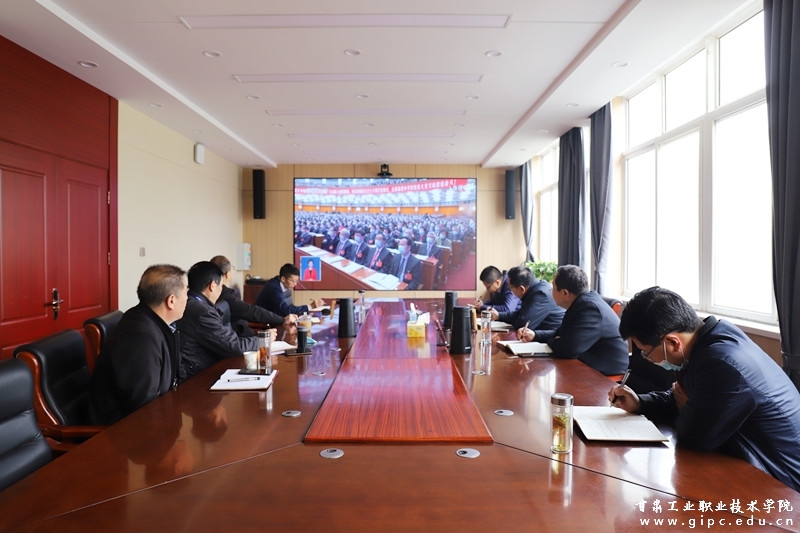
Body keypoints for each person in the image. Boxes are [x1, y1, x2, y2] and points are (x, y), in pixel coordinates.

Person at [609, 286, 800, 492]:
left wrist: (687, 407)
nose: (646, 359)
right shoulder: (704, 342)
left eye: (645, 352)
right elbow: (681, 396)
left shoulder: (722, 363)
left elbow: (695, 437)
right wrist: (640, 403)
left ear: (672, 342)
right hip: (745, 463)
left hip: (782, 484)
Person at [89, 264, 188, 425]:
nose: (188, 299)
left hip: (158, 417)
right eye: (186, 293)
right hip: (124, 431)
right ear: (171, 300)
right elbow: (144, 406)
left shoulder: (150, 320)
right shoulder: (140, 336)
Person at [518, 265, 628, 376]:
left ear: (565, 293)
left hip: (603, 371)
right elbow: (559, 333)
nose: (551, 292)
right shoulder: (580, 303)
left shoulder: (589, 308)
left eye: (553, 288)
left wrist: (553, 341)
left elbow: (568, 350)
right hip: (584, 360)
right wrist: (535, 335)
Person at [178, 261, 274, 382]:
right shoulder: (201, 312)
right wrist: (263, 340)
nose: (221, 290)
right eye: (221, 285)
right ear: (212, 285)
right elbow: (234, 346)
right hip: (198, 378)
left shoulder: (191, 302)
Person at [210, 255, 296, 337]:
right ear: (228, 274)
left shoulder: (215, 294)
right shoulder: (226, 296)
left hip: (244, 337)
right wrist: (282, 320)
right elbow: (252, 311)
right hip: (244, 339)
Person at [491, 265, 562, 331]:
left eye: (510, 288)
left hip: (553, 336)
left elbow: (523, 324)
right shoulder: (533, 288)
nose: (510, 291)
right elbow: (520, 314)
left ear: (521, 289)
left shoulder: (541, 294)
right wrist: (498, 316)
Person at [254, 263, 325, 317]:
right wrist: (310, 306)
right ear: (283, 279)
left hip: (277, 316)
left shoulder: (284, 284)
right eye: (293, 281)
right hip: (265, 321)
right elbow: (286, 310)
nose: (295, 284)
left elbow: (290, 307)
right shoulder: (273, 288)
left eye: (297, 281)